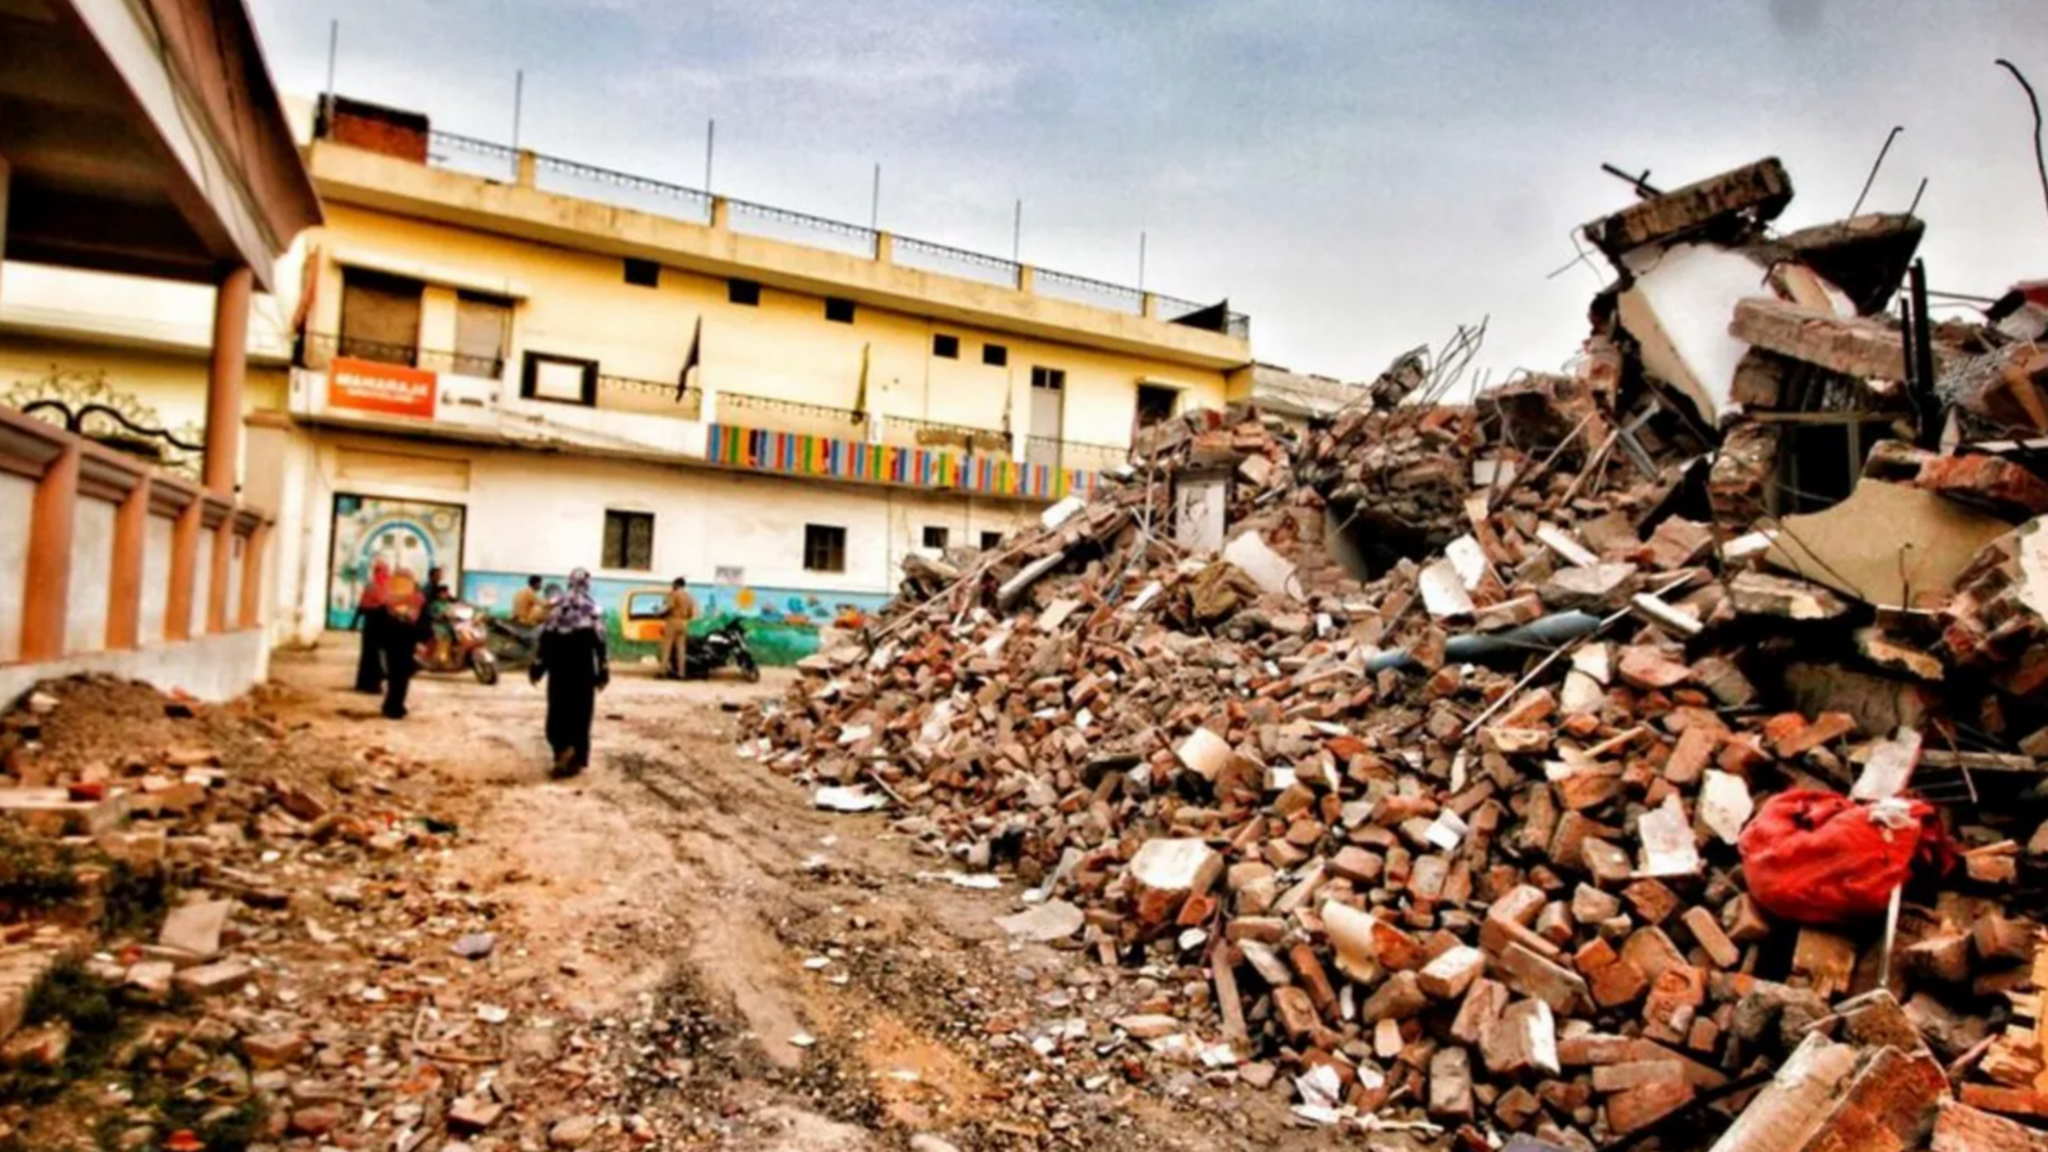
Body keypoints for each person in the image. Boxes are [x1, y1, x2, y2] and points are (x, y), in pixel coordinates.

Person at [530, 568, 609, 776]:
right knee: (581, 711)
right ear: (587, 584)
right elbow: (600, 643)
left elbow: (545, 640)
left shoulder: (556, 607)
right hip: (582, 669)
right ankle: (576, 755)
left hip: (559, 668)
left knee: (558, 708)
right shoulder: (593, 608)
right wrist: (603, 669)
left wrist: (538, 667)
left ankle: (561, 749)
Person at [379, 567, 430, 719]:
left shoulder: (391, 597)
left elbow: (423, 621)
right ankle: (394, 706)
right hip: (399, 640)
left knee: (398, 675)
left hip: (402, 640)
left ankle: (393, 705)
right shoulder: (393, 597)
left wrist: (422, 641)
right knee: (398, 676)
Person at [351, 559, 392, 694]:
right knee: (370, 654)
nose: (382, 573)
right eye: (380, 570)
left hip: (381, 625)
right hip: (373, 624)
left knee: (378, 654)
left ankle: (373, 683)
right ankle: (368, 684)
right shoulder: (372, 586)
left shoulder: (389, 586)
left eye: (383, 570)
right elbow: (362, 604)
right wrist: (354, 622)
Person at [660, 576, 699, 679]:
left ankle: (663, 672)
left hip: (672, 621)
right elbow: (692, 613)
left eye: (673, 584)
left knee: (666, 647)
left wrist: (660, 614)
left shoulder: (673, 594)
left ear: (677, 585)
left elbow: (669, 607)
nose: (672, 586)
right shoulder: (689, 596)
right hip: (683, 623)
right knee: (681, 649)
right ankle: (682, 673)